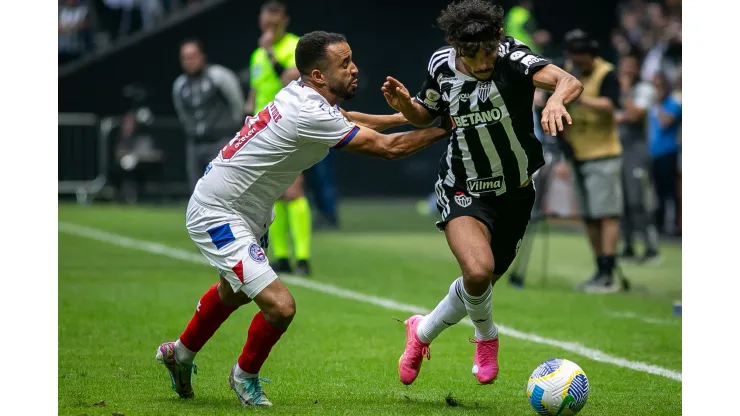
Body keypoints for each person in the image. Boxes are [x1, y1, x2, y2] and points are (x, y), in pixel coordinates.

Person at [156, 31, 452, 407]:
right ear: (318, 76)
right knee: (280, 306)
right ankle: (244, 375)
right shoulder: (307, 111)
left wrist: (400, 116)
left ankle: (179, 354)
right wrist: (445, 128)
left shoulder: (304, 95)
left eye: (351, 59)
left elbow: (347, 118)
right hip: (218, 211)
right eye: (343, 64)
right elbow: (388, 150)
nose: (354, 68)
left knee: (232, 293)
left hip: (248, 210)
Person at [382, 0, 582, 386]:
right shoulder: (440, 64)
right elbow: (427, 113)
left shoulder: (514, 57)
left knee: (480, 285)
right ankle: (487, 338)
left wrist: (556, 98)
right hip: (464, 186)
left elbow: (568, 80)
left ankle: (420, 332)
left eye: (488, 50)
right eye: (471, 55)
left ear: (498, 39)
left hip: (517, 192)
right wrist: (406, 106)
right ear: (455, 46)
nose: (482, 62)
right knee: (477, 271)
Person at [246, 0, 313, 276]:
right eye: (265, 18)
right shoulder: (257, 55)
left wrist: (271, 52)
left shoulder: (296, 47)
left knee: (293, 191)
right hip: (263, 132)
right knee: (273, 194)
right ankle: (283, 256)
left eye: (274, 19)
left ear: (284, 20)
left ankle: (303, 258)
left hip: (290, 127)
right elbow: (254, 93)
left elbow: (289, 78)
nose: (268, 24)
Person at [560, 29, 624, 293]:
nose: (577, 62)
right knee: (588, 216)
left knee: (606, 214)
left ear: (591, 54)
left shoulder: (607, 73)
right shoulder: (569, 71)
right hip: (577, 153)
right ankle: (599, 269)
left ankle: (608, 272)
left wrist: (578, 95)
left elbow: (611, 106)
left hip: (603, 154)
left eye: (581, 57)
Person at [173, 39, 245, 191]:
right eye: (185, 58)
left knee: (223, 190)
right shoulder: (180, 85)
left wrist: (232, 127)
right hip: (195, 144)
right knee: (197, 191)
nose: (189, 61)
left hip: (221, 141)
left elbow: (237, 102)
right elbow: (182, 113)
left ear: (202, 56)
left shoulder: (218, 76)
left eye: (193, 56)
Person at [615, 51, 661, 263]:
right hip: (617, 149)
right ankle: (629, 246)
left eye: (630, 66)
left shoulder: (643, 89)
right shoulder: (614, 89)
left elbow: (634, 115)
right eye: (624, 65)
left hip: (637, 151)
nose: (626, 70)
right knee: (621, 201)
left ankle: (651, 247)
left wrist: (624, 90)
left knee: (638, 199)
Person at [648, 71, 681, 235]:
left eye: (659, 86)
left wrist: (658, 103)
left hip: (668, 152)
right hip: (653, 153)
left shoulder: (673, 103)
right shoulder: (652, 105)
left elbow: (665, 122)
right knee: (657, 191)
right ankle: (659, 225)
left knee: (670, 191)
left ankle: (676, 225)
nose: (656, 90)